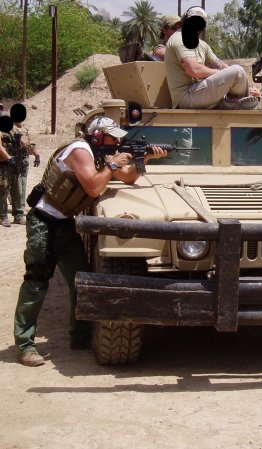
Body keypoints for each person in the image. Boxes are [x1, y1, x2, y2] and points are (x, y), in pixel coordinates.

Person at [13, 116, 168, 367]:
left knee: (81, 280)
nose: (116, 141)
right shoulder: (80, 151)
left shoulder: (99, 153)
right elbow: (95, 188)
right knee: (37, 281)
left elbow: (127, 178)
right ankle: (25, 345)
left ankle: (81, 337)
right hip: (44, 222)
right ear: (97, 136)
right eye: (111, 137)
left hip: (63, 224)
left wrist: (144, 159)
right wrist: (112, 165)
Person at [164, 6, 261, 110]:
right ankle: (238, 100)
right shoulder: (180, 38)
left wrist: (244, 86)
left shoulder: (202, 45)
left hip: (199, 91)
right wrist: (222, 75)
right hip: (186, 96)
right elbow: (193, 69)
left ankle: (237, 100)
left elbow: (222, 66)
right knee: (237, 71)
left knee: (238, 73)